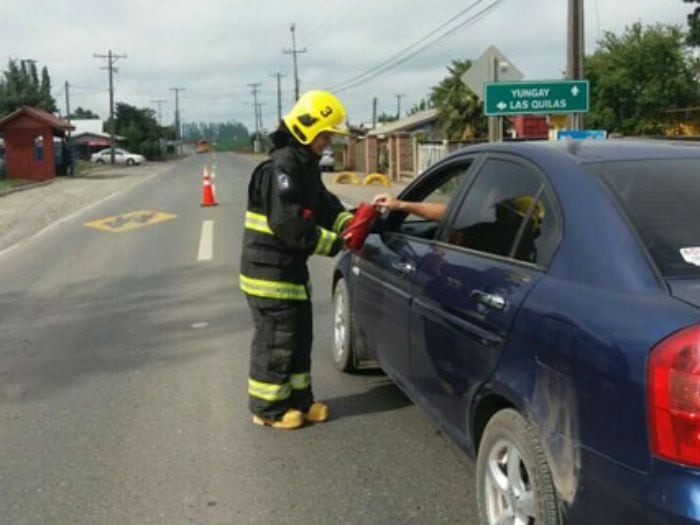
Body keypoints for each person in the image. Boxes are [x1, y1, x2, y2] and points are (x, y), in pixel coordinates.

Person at [240, 90, 355, 430]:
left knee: (300, 335)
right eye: (325, 134)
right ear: (308, 128)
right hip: (268, 272)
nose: (328, 141)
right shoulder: (281, 167)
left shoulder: (303, 166)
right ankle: (268, 409)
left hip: (288, 272)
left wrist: (350, 224)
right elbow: (287, 224)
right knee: (277, 339)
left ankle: (300, 401)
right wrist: (335, 244)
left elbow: (324, 206)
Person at [371, 193, 543, 262]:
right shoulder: (537, 250)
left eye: (502, 211)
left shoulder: (485, 232)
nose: (497, 213)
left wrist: (401, 205)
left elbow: (450, 216)